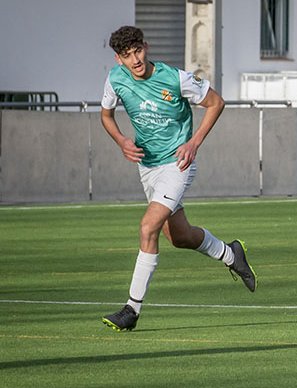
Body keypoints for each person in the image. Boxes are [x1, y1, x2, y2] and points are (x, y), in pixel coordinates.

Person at [99, 26, 257, 331]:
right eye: (127, 55)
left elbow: (216, 103)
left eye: (138, 51)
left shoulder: (176, 78)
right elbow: (106, 115)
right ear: (118, 59)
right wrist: (121, 140)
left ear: (146, 46)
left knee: (148, 227)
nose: (135, 60)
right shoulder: (115, 79)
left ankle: (131, 309)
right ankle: (230, 253)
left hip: (177, 163)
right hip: (148, 167)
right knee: (179, 236)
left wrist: (194, 142)